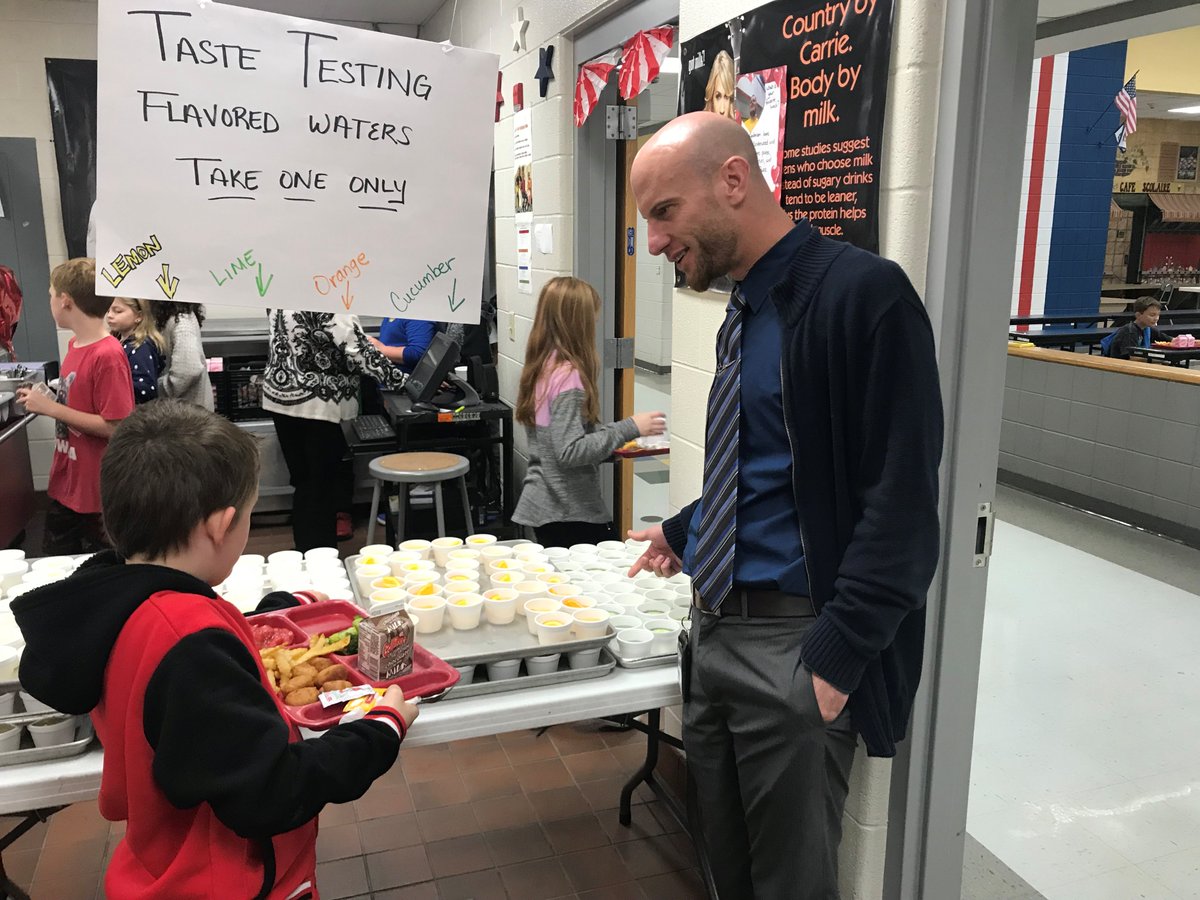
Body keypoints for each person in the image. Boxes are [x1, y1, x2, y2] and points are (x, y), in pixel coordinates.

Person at [627, 113, 943, 899]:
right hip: (713, 636)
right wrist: (686, 529)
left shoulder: (863, 297)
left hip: (793, 649)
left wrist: (835, 662)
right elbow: (773, 468)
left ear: (733, 181)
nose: (656, 242)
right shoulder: (744, 310)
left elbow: (901, 508)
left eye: (665, 213)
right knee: (727, 877)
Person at [12, 401, 419, 899]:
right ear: (223, 525)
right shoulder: (189, 645)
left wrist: (276, 612)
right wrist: (379, 731)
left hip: (164, 860)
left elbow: (180, 662)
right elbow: (273, 791)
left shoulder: (120, 601)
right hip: (228, 881)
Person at [512, 276, 666, 548]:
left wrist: (611, 448)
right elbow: (569, 451)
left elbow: (554, 439)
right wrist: (630, 426)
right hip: (568, 510)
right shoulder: (568, 377)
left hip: (546, 504)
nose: (595, 323)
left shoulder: (543, 367)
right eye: (591, 317)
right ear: (577, 322)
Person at [16, 259, 134, 554]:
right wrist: (49, 399)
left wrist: (50, 408)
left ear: (65, 301)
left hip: (95, 492)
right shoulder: (75, 345)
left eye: (51, 295)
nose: (51, 302)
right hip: (68, 478)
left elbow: (116, 426)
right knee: (56, 563)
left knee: (100, 567)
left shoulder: (107, 355)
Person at [263, 310, 407, 552]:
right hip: (316, 404)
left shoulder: (284, 284)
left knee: (304, 483)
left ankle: (307, 555)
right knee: (320, 487)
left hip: (281, 396)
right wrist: (404, 382)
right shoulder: (327, 294)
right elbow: (356, 349)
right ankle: (320, 557)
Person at [152, 299, 214, 410]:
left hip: (188, 417)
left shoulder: (181, 321)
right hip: (188, 414)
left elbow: (189, 369)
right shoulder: (177, 317)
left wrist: (159, 387)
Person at [106, 297, 165, 404]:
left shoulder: (141, 347)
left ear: (139, 316)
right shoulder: (117, 340)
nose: (109, 315)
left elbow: (145, 389)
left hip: (135, 413)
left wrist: (110, 386)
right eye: (108, 310)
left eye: (117, 311)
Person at [371, 316, 436, 373]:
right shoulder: (394, 312)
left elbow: (418, 353)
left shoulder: (417, 315)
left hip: (401, 381)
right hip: (386, 376)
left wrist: (380, 349)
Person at [703, 50, 736, 120]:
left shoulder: (741, 129)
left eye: (727, 97)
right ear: (711, 99)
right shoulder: (703, 129)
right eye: (718, 97)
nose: (722, 110)